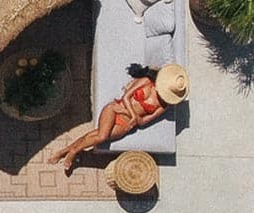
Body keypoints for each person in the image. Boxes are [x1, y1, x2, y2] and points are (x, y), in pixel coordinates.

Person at [44, 63, 188, 173]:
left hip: (125, 125)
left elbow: (143, 122)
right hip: (114, 109)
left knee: (96, 135)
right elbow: (126, 97)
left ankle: (64, 151)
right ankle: (73, 153)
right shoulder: (146, 82)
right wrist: (132, 115)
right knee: (101, 137)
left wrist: (129, 115)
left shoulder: (164, 106)